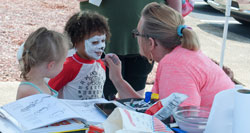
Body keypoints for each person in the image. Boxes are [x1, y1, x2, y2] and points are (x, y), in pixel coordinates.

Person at [105, 2, 235, 109]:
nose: (136, 38)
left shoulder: (175, 65)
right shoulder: (180, 56)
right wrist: (117, 78)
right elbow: (152, 110)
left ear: (151, 42)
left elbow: (181, 121)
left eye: (137, 33)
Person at [78, 0, 182, 100]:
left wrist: (174, 30)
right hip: (99, 43)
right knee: (98, 102)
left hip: (146, 43)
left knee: (133, 104)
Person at [48, 11, 111, 100]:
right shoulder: (68, 66)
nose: (101, 46)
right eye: (95, 42)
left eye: (103, 41)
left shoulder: (100, 64)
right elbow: (48, 92)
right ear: (76, 42)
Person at [16, 27, 69, 100]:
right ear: (51, 65)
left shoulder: (40, 81)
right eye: (63, 63)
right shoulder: (29, 91)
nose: (62, 67)